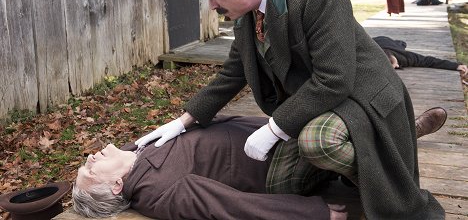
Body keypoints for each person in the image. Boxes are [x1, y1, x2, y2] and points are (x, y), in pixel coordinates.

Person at [136, 0, 445, 219]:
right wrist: (182, 122)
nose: (213, 5)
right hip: (321, 103)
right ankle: (381, 145)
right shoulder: (246, 21)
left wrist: (274, 128)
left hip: (363, 98)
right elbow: (231, 76)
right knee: (282, 185)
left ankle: (386, 160)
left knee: (317, 142)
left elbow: (334, 80)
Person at [72, 112, 446, 219]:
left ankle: (391, 133)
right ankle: (397, 141)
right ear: (118, 187)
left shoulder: (133, 152)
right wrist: (312, 213)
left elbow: (111, 152)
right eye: (89, 172)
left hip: (261, 131)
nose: (89, 159)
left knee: (328, 108)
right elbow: (229, 207)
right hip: (276, 165)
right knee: (324, 141)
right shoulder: (156, 192)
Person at [373, 36, 468, 76]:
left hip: (388, 42)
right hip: (373, 42)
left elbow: (428, 60)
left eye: (393, 66)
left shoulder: (406, 57)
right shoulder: (371, 56)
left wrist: (455, 65)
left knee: (401, 44)